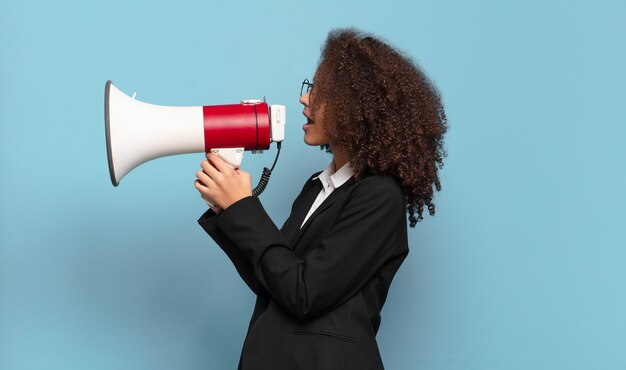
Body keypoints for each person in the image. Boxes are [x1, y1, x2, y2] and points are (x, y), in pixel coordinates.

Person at [194, 28, 447, 370]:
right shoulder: (317, 186)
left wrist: (243, 206)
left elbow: (305, 293)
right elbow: (273, 281)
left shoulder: (380, 197)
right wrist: (228, 207)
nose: (305, 100)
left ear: (358, 108)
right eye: (310, 88)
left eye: (321, 93)